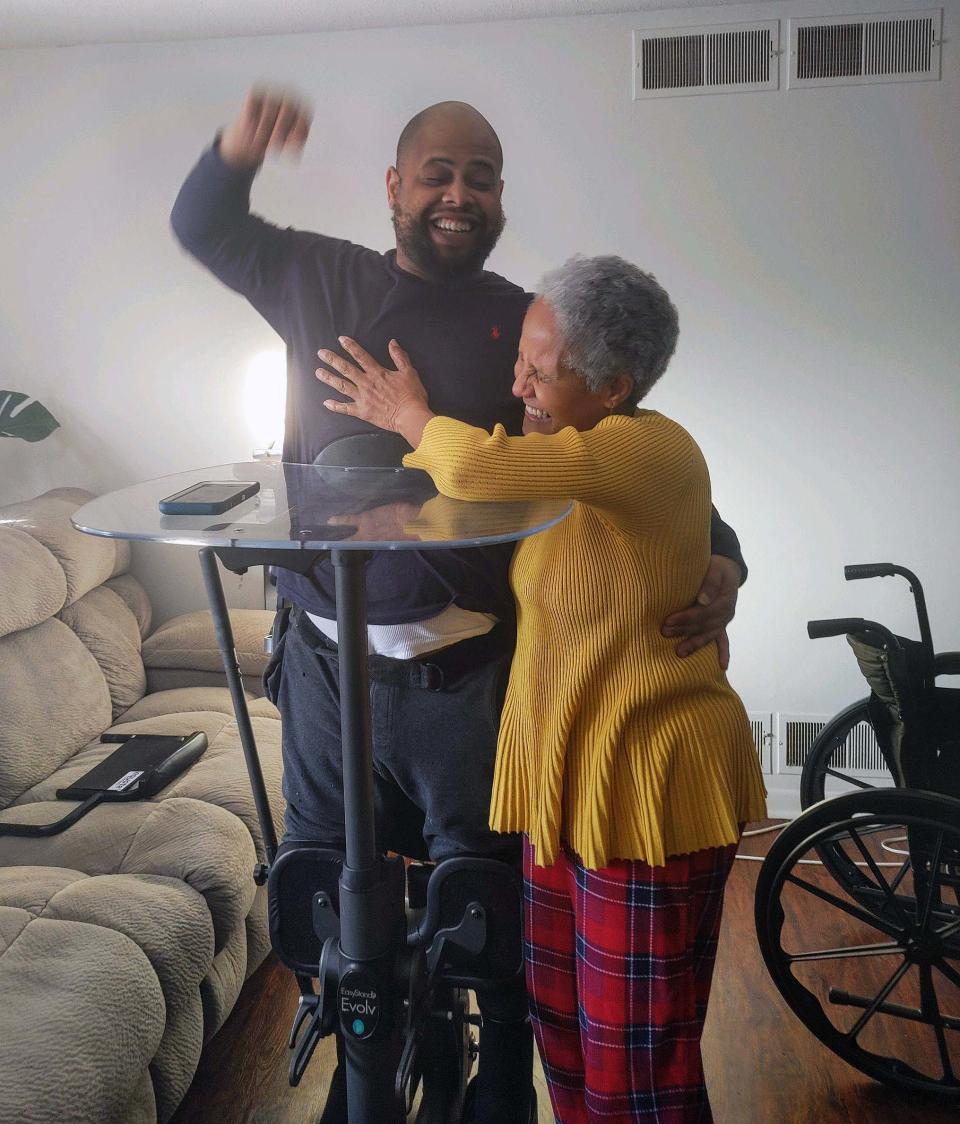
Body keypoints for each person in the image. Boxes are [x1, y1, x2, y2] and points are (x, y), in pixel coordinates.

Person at [170, 90, 748, 1122]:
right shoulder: (319, 276)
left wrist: (724, 560)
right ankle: (381, 1074)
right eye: (435, 172)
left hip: (474, 675)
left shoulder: (531, 326)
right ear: (394, 187)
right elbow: (201, 227)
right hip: (327, 668)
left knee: (488, 915)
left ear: (500, 200)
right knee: (333, 906)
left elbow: (635, 463)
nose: (457, 192)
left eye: (479, 176)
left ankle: (499, 1084)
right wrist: (236, 148)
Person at [313, 254, 768, 1123]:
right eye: (519, 355)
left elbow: (474, 472)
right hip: (564, 790)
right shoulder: (566, 452)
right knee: (564, 1034)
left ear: (614, 383)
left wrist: (402, 411)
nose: (515, 379)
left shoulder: (640, 448)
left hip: (642, 786)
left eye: (539, 368)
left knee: (635, 1063)